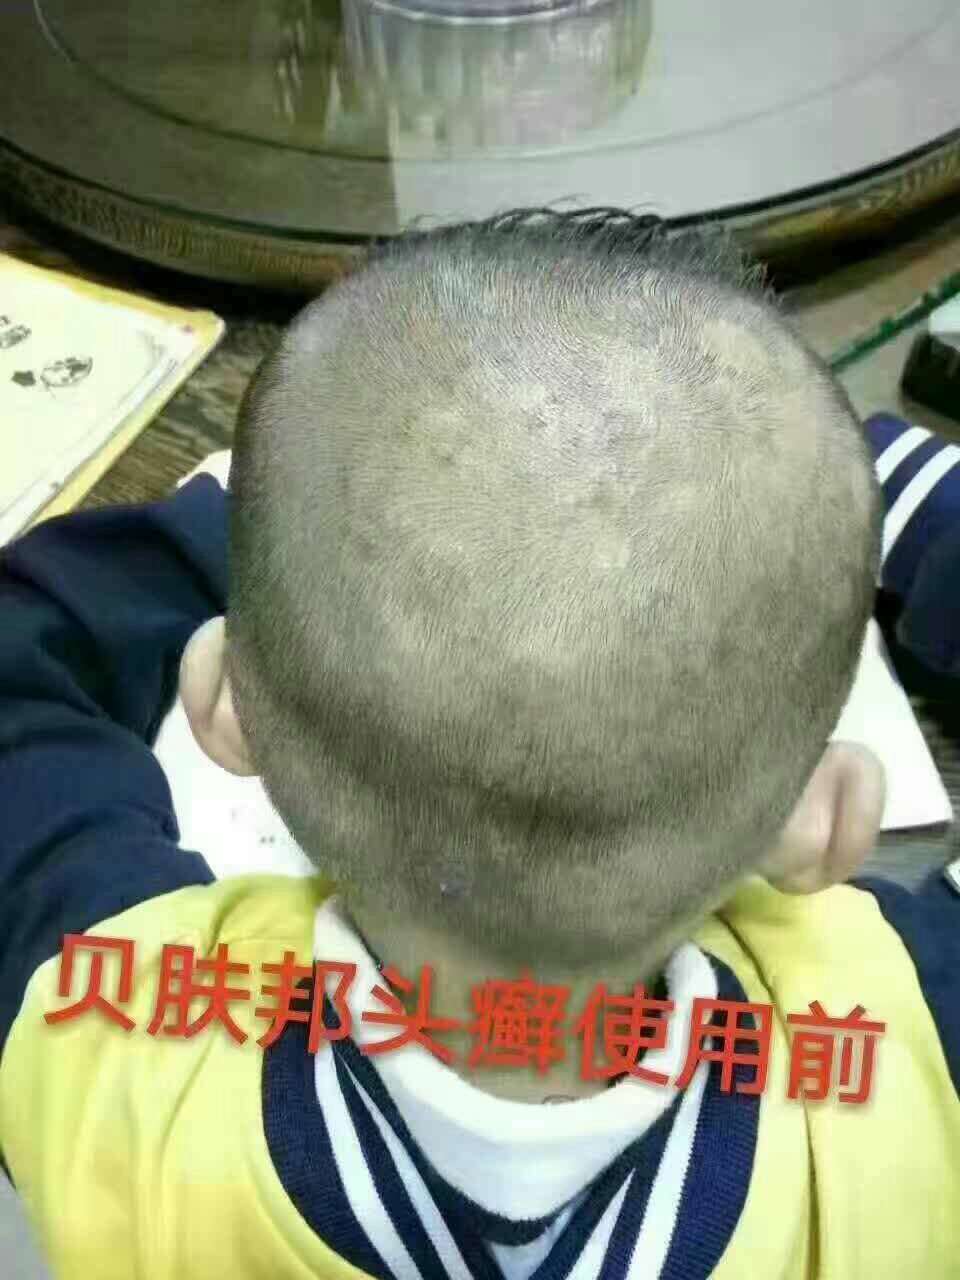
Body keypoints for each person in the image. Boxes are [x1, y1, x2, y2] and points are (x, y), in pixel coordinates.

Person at [0, 209, 957, 1280]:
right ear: (826, 819)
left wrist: (288, 513)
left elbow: (21, 667)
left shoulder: (107, 1041)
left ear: (227, 703)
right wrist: (872, 482)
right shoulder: (907, 1068)